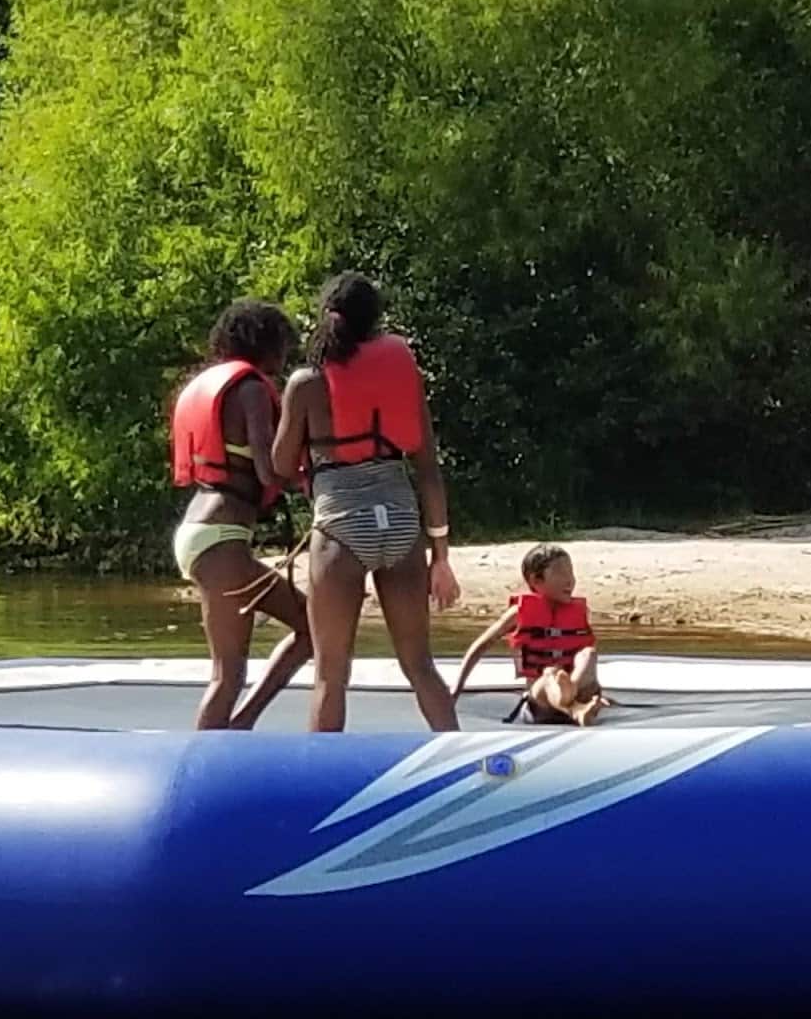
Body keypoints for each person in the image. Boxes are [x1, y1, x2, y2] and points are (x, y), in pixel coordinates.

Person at [271, 271, 461, 733]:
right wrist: (441, 557)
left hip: (339, 527)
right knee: (419, 666)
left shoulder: (306, 382)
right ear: (374, 319)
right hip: (400, 522)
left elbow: (279, 463)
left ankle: (321, 788)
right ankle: (459, 764)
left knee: (330, 677)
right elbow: (429, 469)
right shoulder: (401, 370)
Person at [169, 298, 312, 730]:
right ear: (266, 343)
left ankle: (238, 728)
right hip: (219, 539)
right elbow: (270, 467)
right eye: (283, 345)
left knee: (304, 629)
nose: (284, 357)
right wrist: (311, 476)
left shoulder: (217, 384)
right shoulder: (251, 390)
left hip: (203, 532)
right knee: (231, 673)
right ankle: (218, 747)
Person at [452, 543, 610, 725]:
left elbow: (589, 670)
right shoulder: (519, 613)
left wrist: (593, 691)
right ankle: (575, 710)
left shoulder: (580, 612)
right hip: (542, 699)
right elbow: (481, 645)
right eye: (560, 573)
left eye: (571, 572)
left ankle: (572, 691)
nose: (570, 580)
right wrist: (456, 688)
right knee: (552, 674)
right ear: (536, 581)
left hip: (578, 689)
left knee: (588, 654)